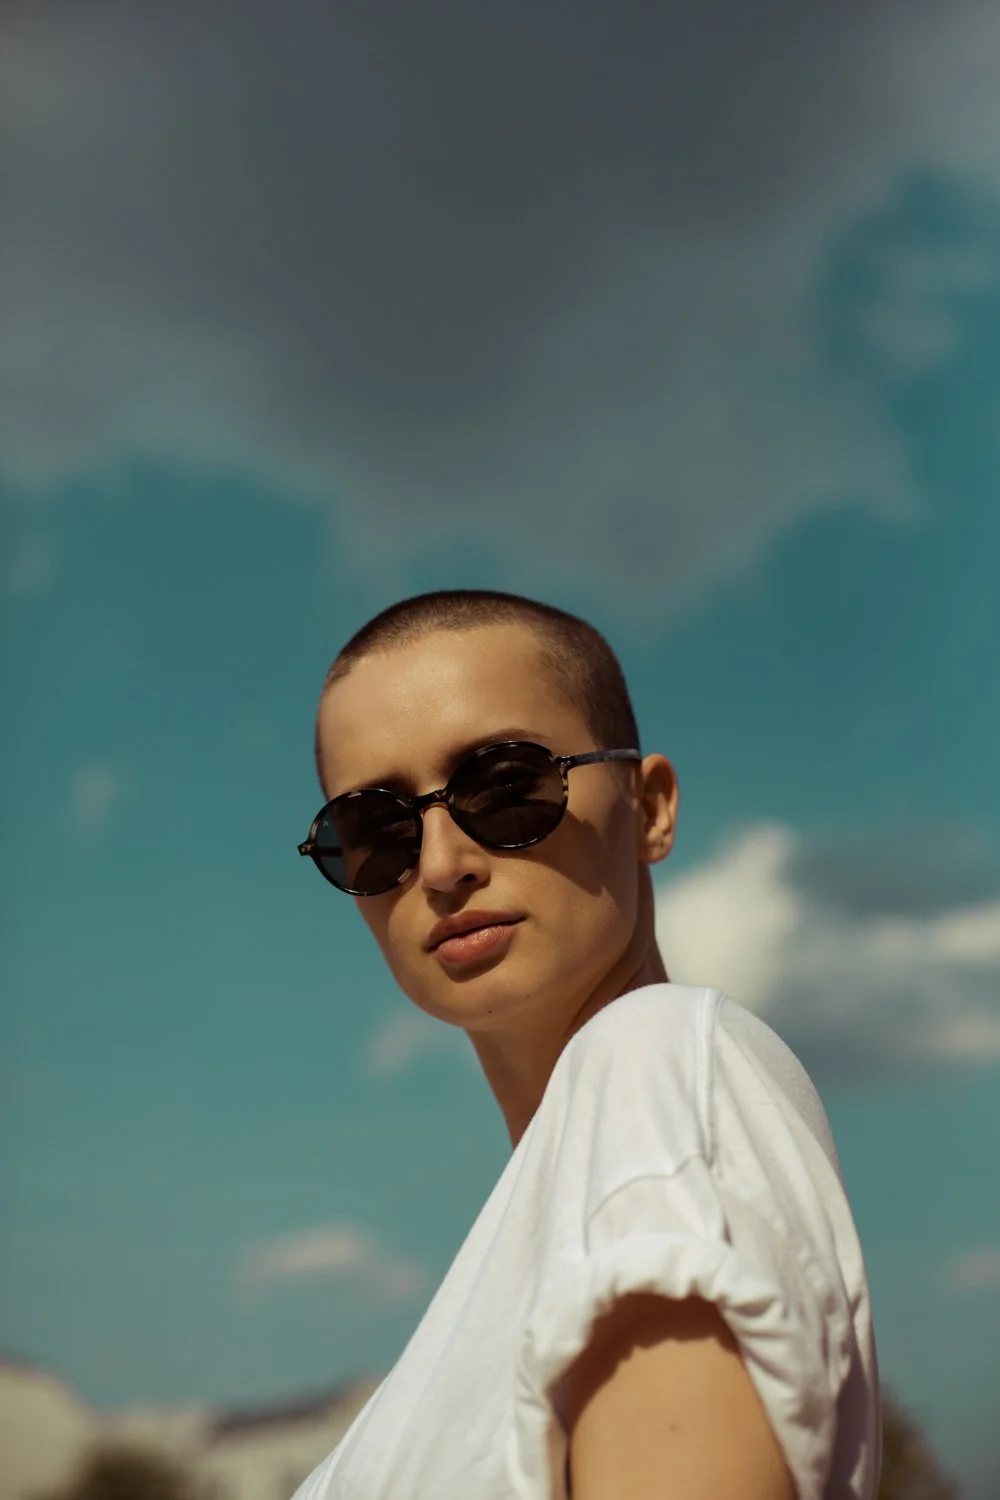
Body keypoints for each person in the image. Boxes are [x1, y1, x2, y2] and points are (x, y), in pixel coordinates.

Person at [292, 589, 881, 1500]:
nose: (443, 866)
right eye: (374, 830)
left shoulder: (645, 1066)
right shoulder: (554, 1201)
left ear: (649, 808)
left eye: (504, 786)